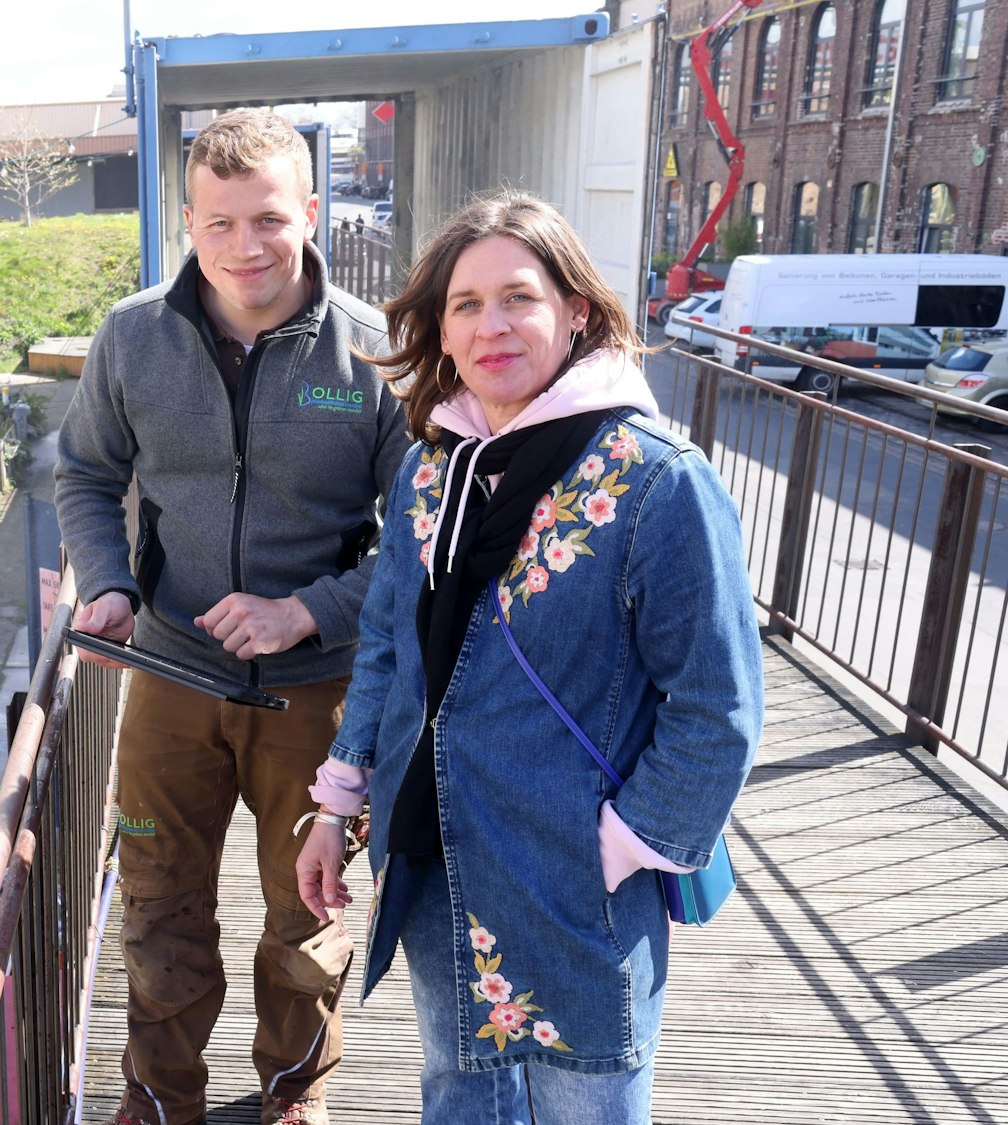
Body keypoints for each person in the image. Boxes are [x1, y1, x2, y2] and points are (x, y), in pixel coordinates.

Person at [294, 191, 763, 1125]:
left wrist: (617, 848)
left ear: (576, 309)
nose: (491, 324)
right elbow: (389, 644)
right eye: (465, 304)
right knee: (460, 1100)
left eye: (519, 296)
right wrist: (339, 803)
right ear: (441, 328)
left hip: (572, 885)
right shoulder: (434, 467)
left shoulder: (654, 479)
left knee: (587, 1104)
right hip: (433, 864)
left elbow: (716, 707)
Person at [55, 108, 407, 1125]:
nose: (244, 247)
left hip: (319, 694)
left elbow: (420, 536)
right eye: (217, 224)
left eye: (265, 219)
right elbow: (83, 472)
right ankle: (159, 1100)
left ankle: (292, 1099)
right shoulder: (131, 338)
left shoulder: (375, 355)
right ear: (188, 224)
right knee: (159, 906)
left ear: (308, 211)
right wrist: (106, 581)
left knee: (308, 916)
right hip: (169, 677)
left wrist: (311, 609)